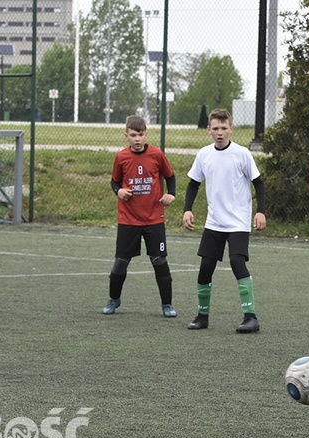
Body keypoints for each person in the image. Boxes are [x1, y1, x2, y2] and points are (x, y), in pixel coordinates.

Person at [182, 108, 266, 334]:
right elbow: (193, 184)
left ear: (231, 129)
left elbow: (259, 183)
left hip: (238, 222)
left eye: (224, 128)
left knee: (237, 262)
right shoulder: (204, 154)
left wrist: (260, 211)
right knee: (205, 269)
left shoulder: (242, 154)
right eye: (215, 128)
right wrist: (187, 209)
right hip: (214, 222)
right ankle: (202, 316)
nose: (220, 132)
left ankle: (251, 317)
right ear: (209, 130)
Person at [102, 115, 178, 318]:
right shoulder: (121, 157)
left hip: (154, 219)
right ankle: (113, 299)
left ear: (147, 134)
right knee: (120, 263)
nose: (137, 139)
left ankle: (167, 304)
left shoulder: (157, 154)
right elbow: (114, 182)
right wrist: (118, 191)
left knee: (160, 262)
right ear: (126, 135)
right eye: (133, 135)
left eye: (141, 134)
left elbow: (170, 176)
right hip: (128, 220)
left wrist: (171, 193)